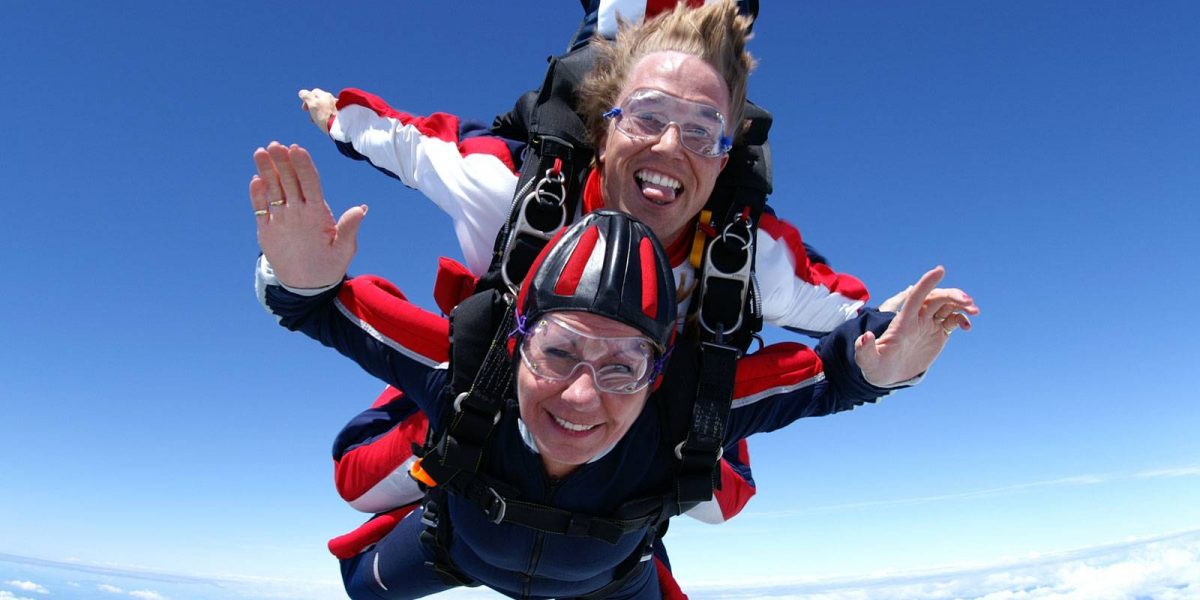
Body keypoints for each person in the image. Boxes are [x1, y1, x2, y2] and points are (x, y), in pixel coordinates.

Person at [248, 140, 975, 599]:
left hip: (607, 580)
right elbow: (317, 310)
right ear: (517, 339)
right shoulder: (465, 367)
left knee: (713, 453)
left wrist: (884, 364)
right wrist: (299, 278)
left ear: (661, 370)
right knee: (360, 583)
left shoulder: (683, 406)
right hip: (460, 545)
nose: (583, 392)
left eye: (625, 365)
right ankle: (432, 434)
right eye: (560, 351)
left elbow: (829, 378)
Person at [295, 0, 876, 529]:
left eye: (701, 131)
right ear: (604, 128)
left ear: (726, 159)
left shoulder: (749, 255)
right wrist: (338, 118)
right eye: (647, 117)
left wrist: (906, 341)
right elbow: (410, 145)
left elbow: (863, 321)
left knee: (721, 503)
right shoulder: (508, 190)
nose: (672, 146)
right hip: (503, 373)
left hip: (649, 405)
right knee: (359, 480)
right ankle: (459, 415)